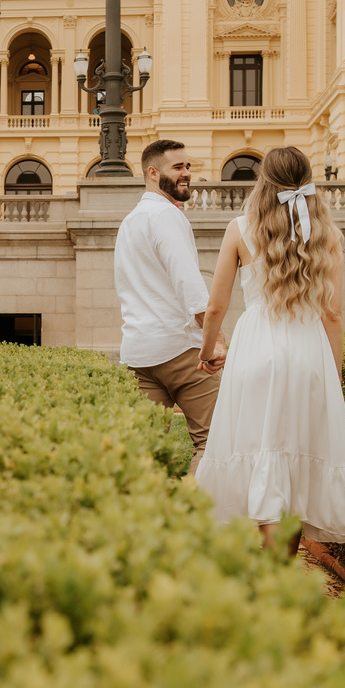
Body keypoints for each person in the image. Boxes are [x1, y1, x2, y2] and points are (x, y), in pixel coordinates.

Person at [195, 146, 345, 553]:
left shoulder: (240, 229)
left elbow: (215, 307)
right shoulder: (327, 234)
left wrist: (208, 351)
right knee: (296, 458)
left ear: (264, 181)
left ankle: (268, 569)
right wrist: (333, 375)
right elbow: (333, 315)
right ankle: (281, 566)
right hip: (307, 352)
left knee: (262, 451)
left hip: (255, 350)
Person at [115, 139, 226, 473]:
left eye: (187, 166)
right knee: (214, 444)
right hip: (181, 351)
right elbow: (189, 285)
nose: (186, 173)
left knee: (144, 453)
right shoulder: (167, 216)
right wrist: (215, 340)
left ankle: (146, 505)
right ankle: (194, 505)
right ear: (153, 172)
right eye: (177, 167)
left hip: (139, 354)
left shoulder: (130, 221)